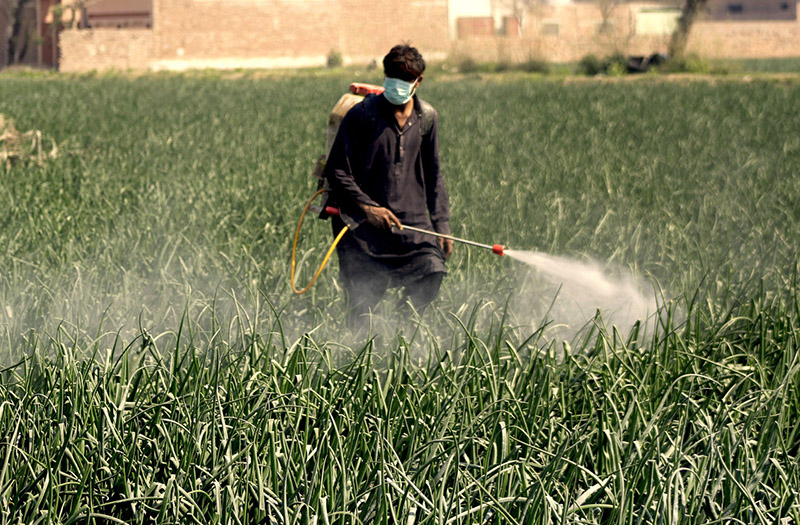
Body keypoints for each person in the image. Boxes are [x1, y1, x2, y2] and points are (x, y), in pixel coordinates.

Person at [324, 44, 452, 327]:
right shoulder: (362, 116)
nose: (398, 85)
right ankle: (359, 356)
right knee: (362, 310)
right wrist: (369, 208)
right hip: (361, 229)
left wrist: (441, 224)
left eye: (405, 79)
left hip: (411, 227)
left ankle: (400, 330)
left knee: (433, 271)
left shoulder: (427, 118)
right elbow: (337, 171)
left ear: (418, 82)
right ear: (385, 77)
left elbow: (434, 174)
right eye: (393, 77)